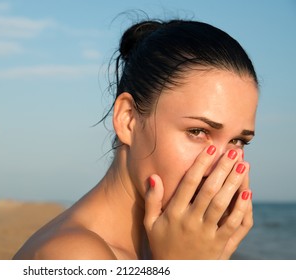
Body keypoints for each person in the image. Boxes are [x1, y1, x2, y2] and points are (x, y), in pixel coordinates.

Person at [13, 18, 258, 260]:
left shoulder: (168, 247)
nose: (220, 168)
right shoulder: (73, 256)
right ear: (128, 119)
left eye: (238, 141)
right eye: (197, 131)